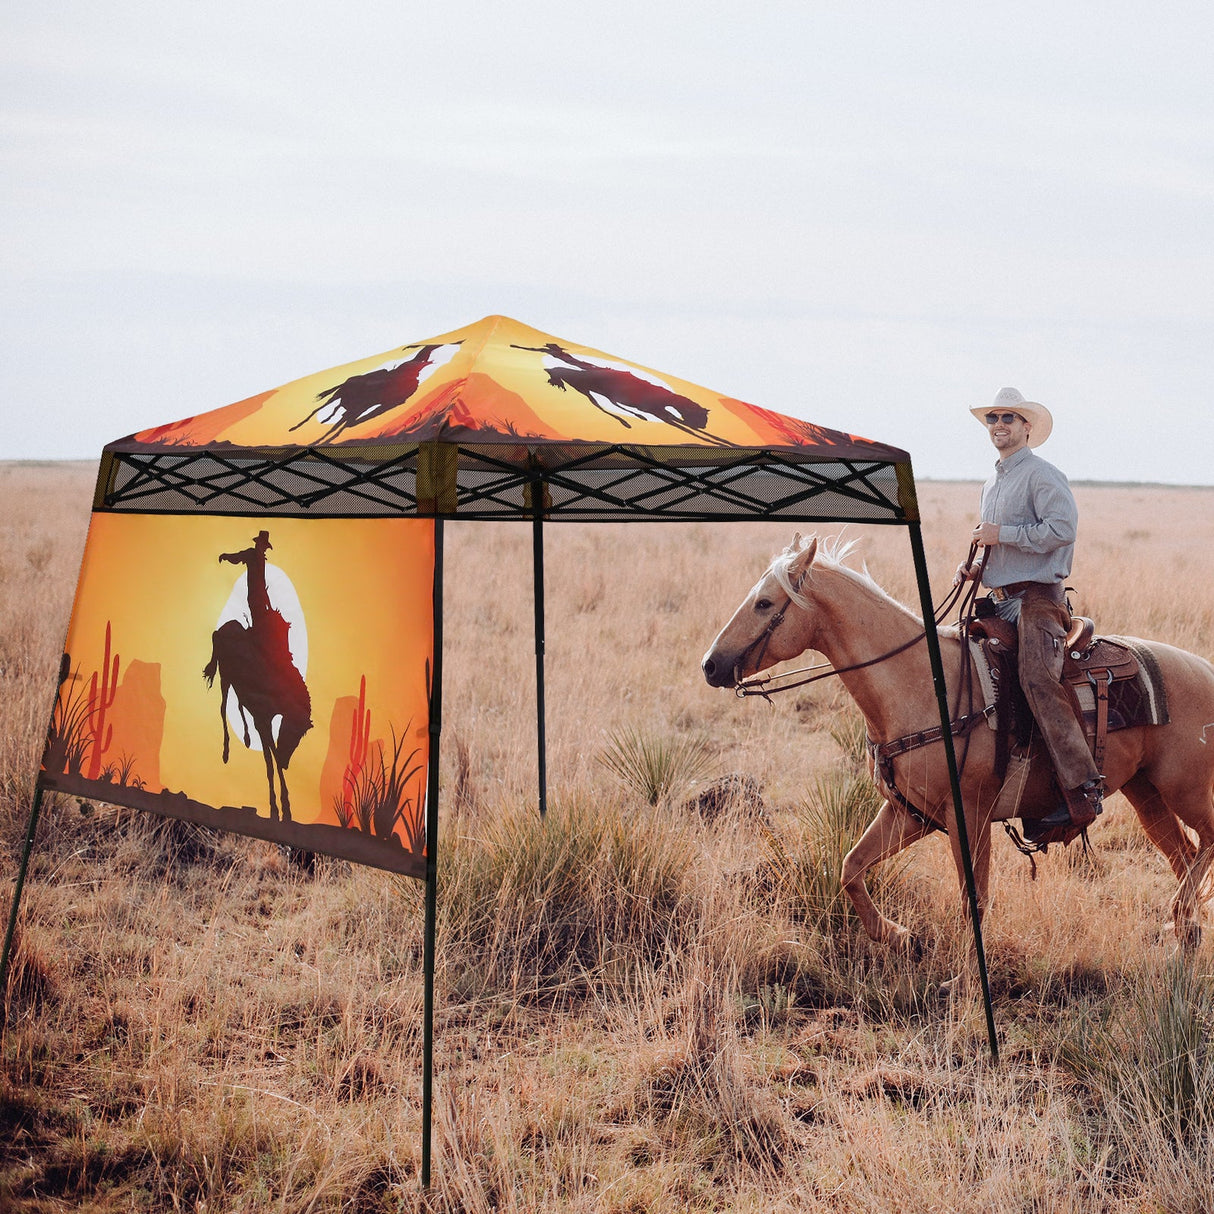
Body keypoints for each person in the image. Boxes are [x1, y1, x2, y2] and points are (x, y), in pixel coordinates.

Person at [954, 388, 1103, 838]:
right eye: (993, 418)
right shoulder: (991, 483)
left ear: (1027, 428)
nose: (999, 424)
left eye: (1009, 418)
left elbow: (1062, 530)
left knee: (1038, 678)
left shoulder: (1042, 475)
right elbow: (1001, 546)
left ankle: (1082, 788)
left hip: (1039, 599)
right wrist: (977, 565)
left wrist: (1003, 534)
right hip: (1001, 597)